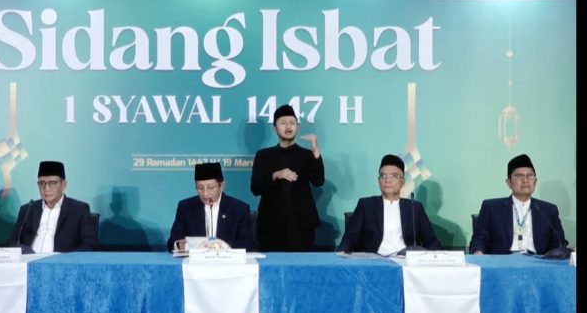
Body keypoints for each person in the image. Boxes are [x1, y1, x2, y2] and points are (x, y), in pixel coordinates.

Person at [250, 104, 325, 251]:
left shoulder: (306, 155)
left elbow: (318, 181)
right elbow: (255, 188)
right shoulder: (263, 155)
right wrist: (275, 175)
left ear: (297, 126)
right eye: (283, 123)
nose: (288, 127)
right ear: (274, 128)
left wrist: (316, 151)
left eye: (292, 123)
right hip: (270, 225)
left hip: (301, 226)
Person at [337, 154, 441, 255]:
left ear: (402, 182)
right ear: (379, 181)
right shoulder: (366, 205)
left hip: (405, 261)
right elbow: (349, 240)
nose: (387, 180)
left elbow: (431, 242)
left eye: (394, 176)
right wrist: (339, 259)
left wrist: (434, 259)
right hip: (373, 261)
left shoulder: (415, 208)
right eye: (383, 176)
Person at [469, 154, 568, 255]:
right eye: (519, 176)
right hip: (503, 261)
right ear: (509, 182)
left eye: (530, 176)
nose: (525, 180)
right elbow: (479, 241)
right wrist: (478, 253)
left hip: (538, 261)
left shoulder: (548, 210)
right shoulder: (491, 208)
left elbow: (559, 244)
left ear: (535, 181)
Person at [7, 161, 97, 252]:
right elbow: (12, 241)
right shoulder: (27, 209)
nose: (46, 189)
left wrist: (67, 258)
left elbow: (89, 244)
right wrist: (24, 250)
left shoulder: (79, 210)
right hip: (29, 259)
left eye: (52, 183)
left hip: (62, 260)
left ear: (64, 185)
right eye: (42, 183)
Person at [167, 162, 255, 251]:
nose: (205, 193)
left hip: (227, 258)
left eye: (211, 187)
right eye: (200, 188)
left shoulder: (239, 209)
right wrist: (179, 245)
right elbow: (172, 243)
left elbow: (248, 244)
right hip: (196, 259)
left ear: (222, 186)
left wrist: (223, 246)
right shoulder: (186, 207)